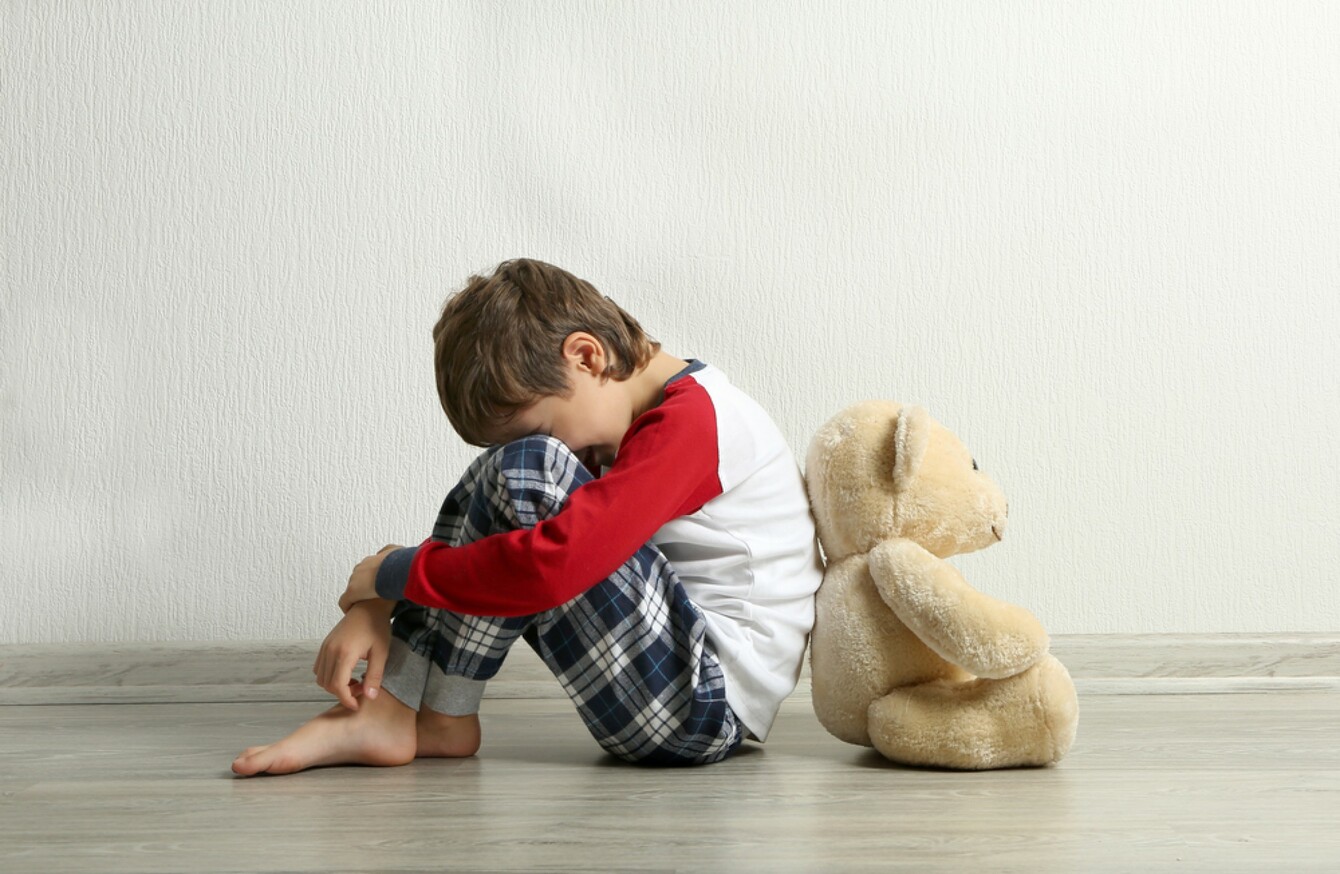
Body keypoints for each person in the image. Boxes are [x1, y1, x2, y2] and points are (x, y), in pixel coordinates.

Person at [232, 258, 824, 775]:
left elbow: (551, 565)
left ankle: (408, 712)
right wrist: (379, 595)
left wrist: (394, 576)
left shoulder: (693, 423)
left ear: (586, 356)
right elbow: (502, 539)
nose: (566, 453)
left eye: (544, 423)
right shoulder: (651, 416)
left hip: (702, 703)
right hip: (676, 687)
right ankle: (425, 717)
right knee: (507, 474)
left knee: (528, 467)